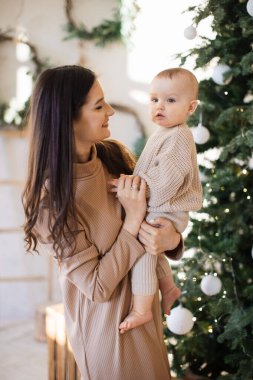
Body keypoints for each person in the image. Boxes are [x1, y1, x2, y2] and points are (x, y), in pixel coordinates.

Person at [22, 65, 184, 380]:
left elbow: (160, 218)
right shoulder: (51, 202)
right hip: (108, 333)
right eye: (98, 106)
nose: (110, 111)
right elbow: (97, 287)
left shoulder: (114, 157)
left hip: (145, 317)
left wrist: (173, 239)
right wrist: (133, 218)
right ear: (66, 118)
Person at [115, 68, 202, 334]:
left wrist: (129, 187)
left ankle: (142, 309)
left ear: (191, 107)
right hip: (163, 206)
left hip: (168, 207)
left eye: (170, 100)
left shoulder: (178, 136)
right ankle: (168, 288)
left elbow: (164, 184)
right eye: (154, 100)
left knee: (142, 250)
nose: (159, 107)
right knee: (153, 251)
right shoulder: (165, 132)